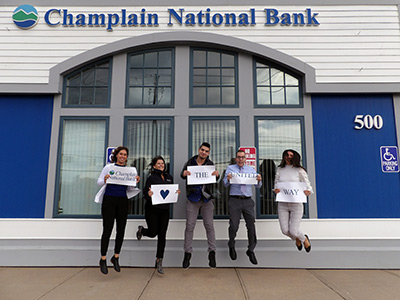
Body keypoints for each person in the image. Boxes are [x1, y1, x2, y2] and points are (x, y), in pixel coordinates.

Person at [96, 146, 140, 275]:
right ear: (116, 155)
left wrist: (135, 180)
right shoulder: (109, 168)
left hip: (122, 201)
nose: (123, 156)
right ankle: (103, 258)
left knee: (121, 230)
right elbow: (98, 181)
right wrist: (104, 180)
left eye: (125, 154)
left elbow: (131, 187)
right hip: (109, 200)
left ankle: (116, 257)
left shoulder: (130, 170)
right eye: (121, 154)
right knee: (107, 229)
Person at [136, 156, 180, 274]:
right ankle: (142, 230)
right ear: (154, 165)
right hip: (152, 209)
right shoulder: (151, 178)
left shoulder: (169, 178)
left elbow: (170, 191)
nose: (161, 165)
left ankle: (159, 260)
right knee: (153, 232)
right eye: (159, 163)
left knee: (162, 235)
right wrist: (149, 194)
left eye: (163, 163)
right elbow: (145, 193)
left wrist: (176, 193)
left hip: (165, 210)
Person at [180, 142, 220, 269]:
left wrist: (217, 175)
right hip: (193, 198)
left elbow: (214, 179)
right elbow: (182, 174)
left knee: (209, 226)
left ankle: (212, 253)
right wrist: (184, 174)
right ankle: (187, 253)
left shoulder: (210, 164)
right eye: (202, 150)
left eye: (206, 151)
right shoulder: (190, 162)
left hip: (207, 199)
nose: (204, 152)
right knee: (189, 226)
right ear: (199, 150)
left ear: (208, 153)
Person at [223, 149, 262, 265]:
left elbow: (258, 185)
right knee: (234, 225)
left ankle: (251, 250)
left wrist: (259, 180)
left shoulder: (251, 169)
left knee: (251, 225)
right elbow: (225, 184)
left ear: (245, 159)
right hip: (235, 200)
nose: (240, 159)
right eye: (239, 157)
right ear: (236, 159)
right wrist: (228, 178)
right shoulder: (230, 168)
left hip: (248, 200)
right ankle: (231, 244)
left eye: (242, 157)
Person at [273, 149, 313, 253]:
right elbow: (276, 183)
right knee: (285, 230)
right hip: (282, 203)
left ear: (295, 157)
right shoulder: (280, 170)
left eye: (291, 155)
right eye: (286, 155)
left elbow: (307, 183)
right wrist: (275, 189)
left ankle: (304, 239)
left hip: (296, 204)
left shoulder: (299, 170)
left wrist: (308, 191)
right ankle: (298, 238)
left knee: (294, 230)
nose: (288, 157)